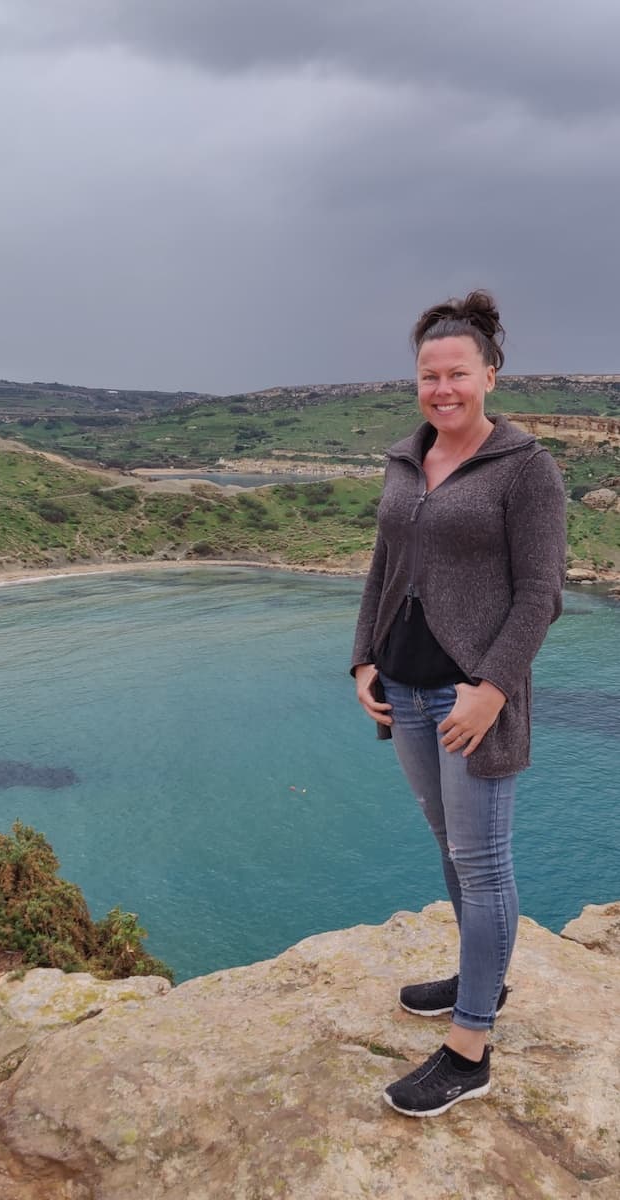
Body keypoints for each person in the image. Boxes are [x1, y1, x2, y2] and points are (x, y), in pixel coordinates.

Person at [351, 290, 567, 1117]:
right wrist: (360, 662)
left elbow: (540, 593)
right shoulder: (405, 460)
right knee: (450, 849)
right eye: (427, 375)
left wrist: (490, 690)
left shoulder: (524, 469)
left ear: (489, 374)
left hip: (468, 694)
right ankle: (481, 979)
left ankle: (469, 1045)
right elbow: (381, 570)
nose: (441, 388)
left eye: (457, 373)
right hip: (401, 686)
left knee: (482, 864)